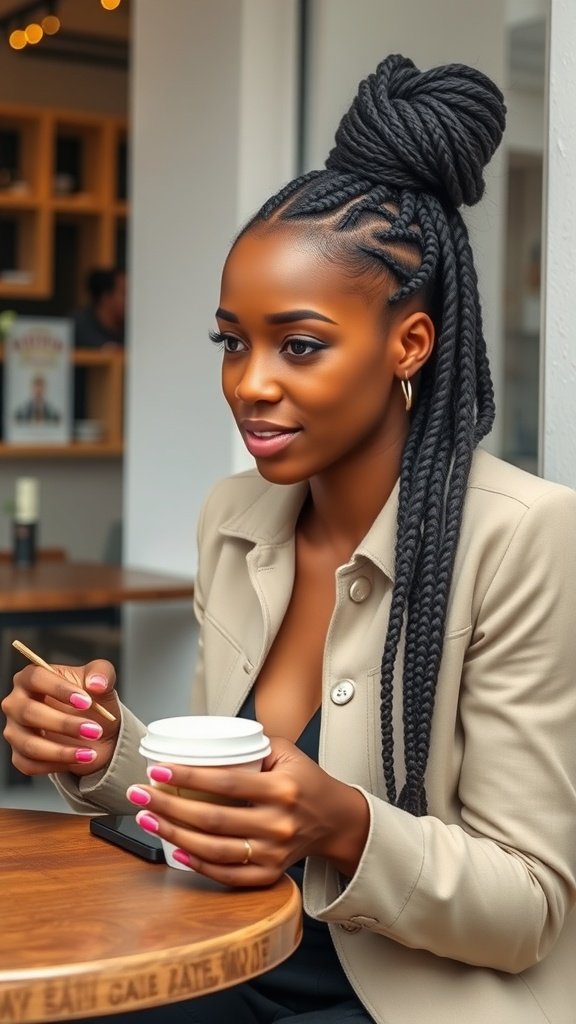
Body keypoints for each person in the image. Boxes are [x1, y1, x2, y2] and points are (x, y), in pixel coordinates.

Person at [3, 54, 576, 1024]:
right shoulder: (236, 515)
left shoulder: (524, 538)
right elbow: (216, 807)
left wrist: (346, 825)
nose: (250, 382)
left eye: (299, 344)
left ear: (410, 343)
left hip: (404, 999)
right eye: (233, 340)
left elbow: (530, 906)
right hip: (225, 952)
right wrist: (102, 753)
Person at [73, 266, 126, 349]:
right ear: (105, 297)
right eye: (124, 294)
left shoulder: (130, 329)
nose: (132, 300)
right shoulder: (77, 325)